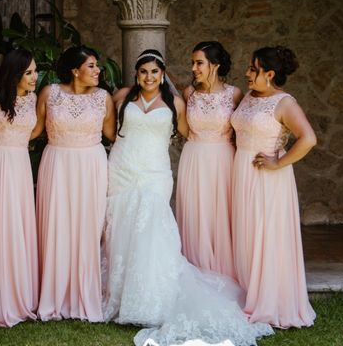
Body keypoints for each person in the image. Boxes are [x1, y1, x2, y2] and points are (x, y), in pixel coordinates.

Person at [103, 49, 272, 346]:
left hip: (155, 171)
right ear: (136, 73)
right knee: (121, 227)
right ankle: (118, 293)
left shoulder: (177, 101)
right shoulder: (122, 97)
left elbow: (186, 132)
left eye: (155, 72)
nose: (149, 77)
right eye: (144, 71)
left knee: (153, 230)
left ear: (163, 74)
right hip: (123, 168)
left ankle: (149, 298)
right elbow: (109, 130)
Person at [231, 46, 317, 329]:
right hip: (242, 171)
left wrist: (277, 162)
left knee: (265, 236)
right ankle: (248, 291)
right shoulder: (249, 97)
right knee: (246, 234)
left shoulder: (285, 103)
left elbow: (308, 139)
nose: (247, 73)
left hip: (268, 177)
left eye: (253, 69)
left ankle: (271, 300)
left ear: (269, 74)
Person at [34, 45, 116, 321]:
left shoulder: (104, 97)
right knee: (56, 225)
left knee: (88, 227)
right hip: (57, 163)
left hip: (91, 164)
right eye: (91, 65)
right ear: (74, 70)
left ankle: (85, 293)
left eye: (97, 65)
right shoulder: (50, 93)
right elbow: (33, 130)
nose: (97, 71)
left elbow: (113, 135)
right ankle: (54, 294)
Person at [0, 49, 39, 326]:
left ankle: (17, 293)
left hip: (19, 163)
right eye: (29, 73)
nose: (35, 77)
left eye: (35, 71)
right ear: (14, 73)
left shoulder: (33, 98)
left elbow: (34, 129)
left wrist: (21, 141)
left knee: (16, 224)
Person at [177, 41, 243, 277]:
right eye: (193, 63)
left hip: (223, 158)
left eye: (199, 63)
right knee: (195, 213)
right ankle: (197, 269)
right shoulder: (189, 94)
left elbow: (240, 130)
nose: (194, 68)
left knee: (221, 214)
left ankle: (224, 270)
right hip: (194, 156)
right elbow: (184, 129)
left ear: (214, 65)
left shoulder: (234, 94)